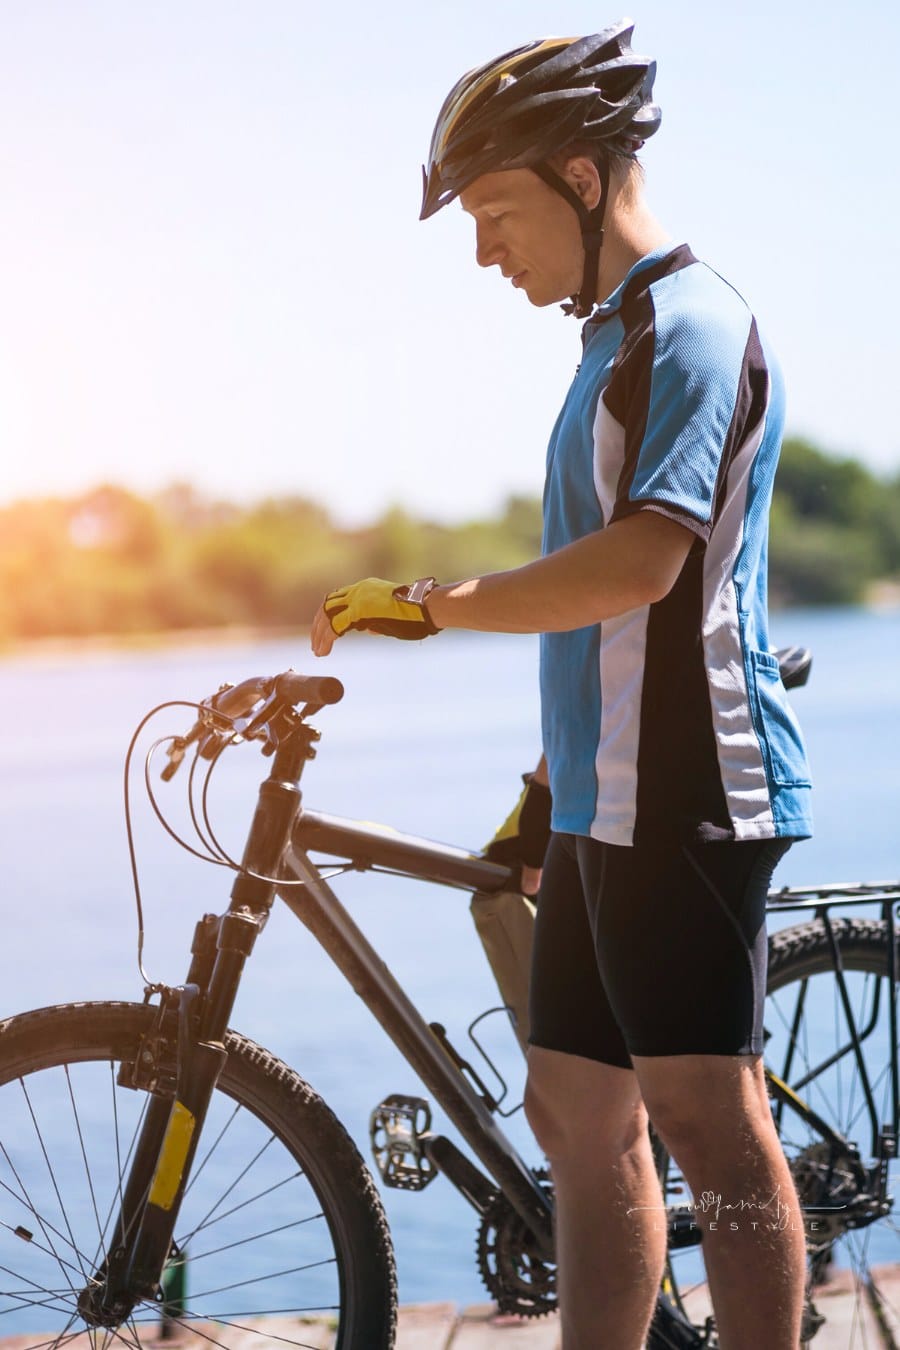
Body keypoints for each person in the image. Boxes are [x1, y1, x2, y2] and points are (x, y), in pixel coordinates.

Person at [310, 23, 813, 1350]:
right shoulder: (610, 338)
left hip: (695, 790)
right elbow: (605, 620)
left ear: (582, 177)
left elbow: (640, 567)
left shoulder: (693, 328)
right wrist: (549, 780)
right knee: (579, 1111)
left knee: (708, 1111)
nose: (486, 251)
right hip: (607, 793)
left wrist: (437, 605)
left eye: (495, 211)